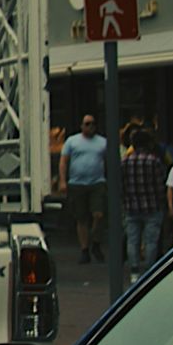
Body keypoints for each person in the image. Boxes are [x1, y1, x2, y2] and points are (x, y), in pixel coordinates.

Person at [59, 113, 108, 264]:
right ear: (81, 126)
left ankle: (96, 241)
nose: (90, 126)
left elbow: (109, 160)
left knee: (98, 215)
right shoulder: (72, 141)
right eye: (87, 124)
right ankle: (85, 249)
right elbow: (63, 161)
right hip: (77, 183)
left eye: (92, 123)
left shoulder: (102, 142)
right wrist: (62, 180)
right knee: (81, 218)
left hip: (97, 182)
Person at [119, 127, 166, 283]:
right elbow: (160, 185)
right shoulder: (154, 161)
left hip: (131, 206)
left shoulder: (125, 161)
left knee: (133, 240)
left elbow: (121, 185)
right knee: (151, 240)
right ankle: (149, 270)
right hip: (152, 206)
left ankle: (134, 271)